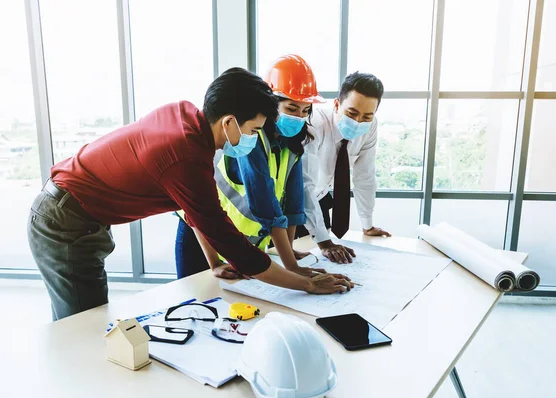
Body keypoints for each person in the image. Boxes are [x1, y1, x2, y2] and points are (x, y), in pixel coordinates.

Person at [28, 68, 353, 321]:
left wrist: (213, 264)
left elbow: (196, 210)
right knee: (84, 323)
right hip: (66, 221)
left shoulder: (185, 118)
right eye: (253, 130)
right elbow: (225, 236)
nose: (253, 137)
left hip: (70, 211)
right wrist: (307, 284)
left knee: (84, 317)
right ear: (228, 121)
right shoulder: (184, 156)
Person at [175, 55, 328, 280]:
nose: (299, 117)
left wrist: (290, 255)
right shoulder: (249, 140)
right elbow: (264, 204)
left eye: (305, 111)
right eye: (292, 108)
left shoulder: (292, 143)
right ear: (270, 104)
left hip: (240, 243)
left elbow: (293, 206)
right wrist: (292, 267)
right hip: (203, 239)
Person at [302, 72, 391, 264]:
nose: (358, 122)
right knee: (297, 261)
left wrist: (367, 224)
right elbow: (304, 184)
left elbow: (364, 176)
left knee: (326, 262)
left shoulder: (370, 126)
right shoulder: (315, 122)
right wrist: (324, 243)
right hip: (295, 202)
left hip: (320, 199)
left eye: (367, 116)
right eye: (352, 113)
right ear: (336, 104)